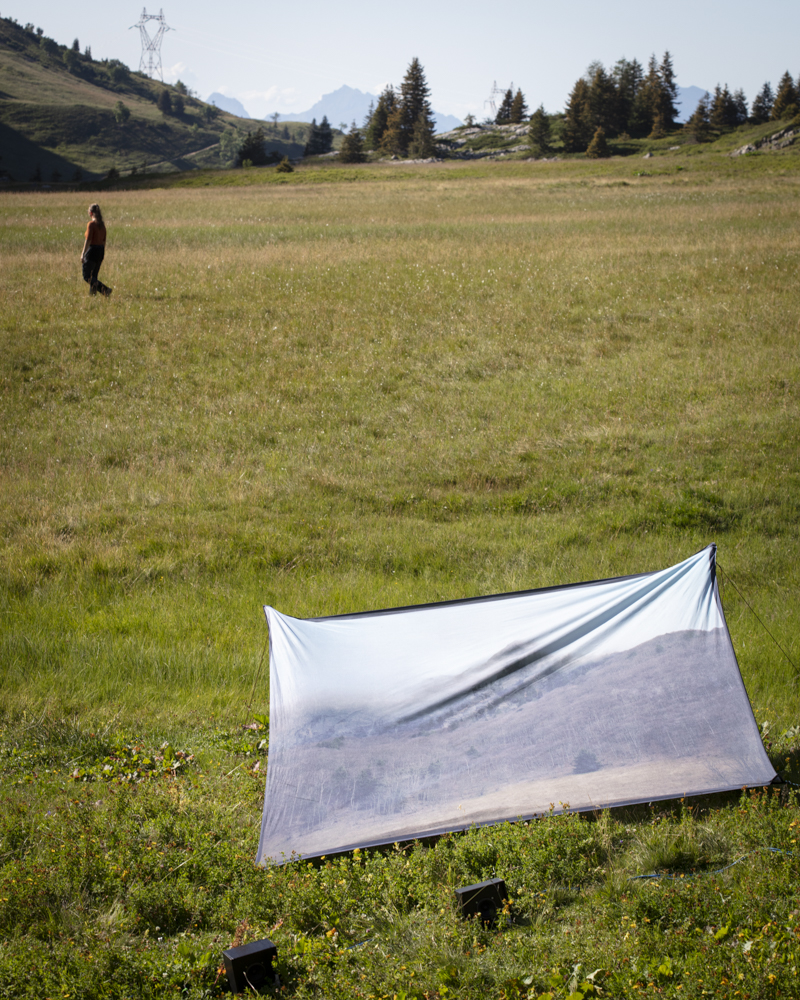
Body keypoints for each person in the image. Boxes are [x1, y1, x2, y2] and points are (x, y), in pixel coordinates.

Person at [80, 203, 112, 297]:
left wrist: (83, 254)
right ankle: (92, 296)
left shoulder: (91, 224)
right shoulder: (102, 225)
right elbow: (104, 241)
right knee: (94, 276)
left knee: (87, 276)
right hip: (100, 250)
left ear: (90, 213)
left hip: (92, 250)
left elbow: (88, 240)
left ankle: (105, 290)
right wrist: (102, 254)